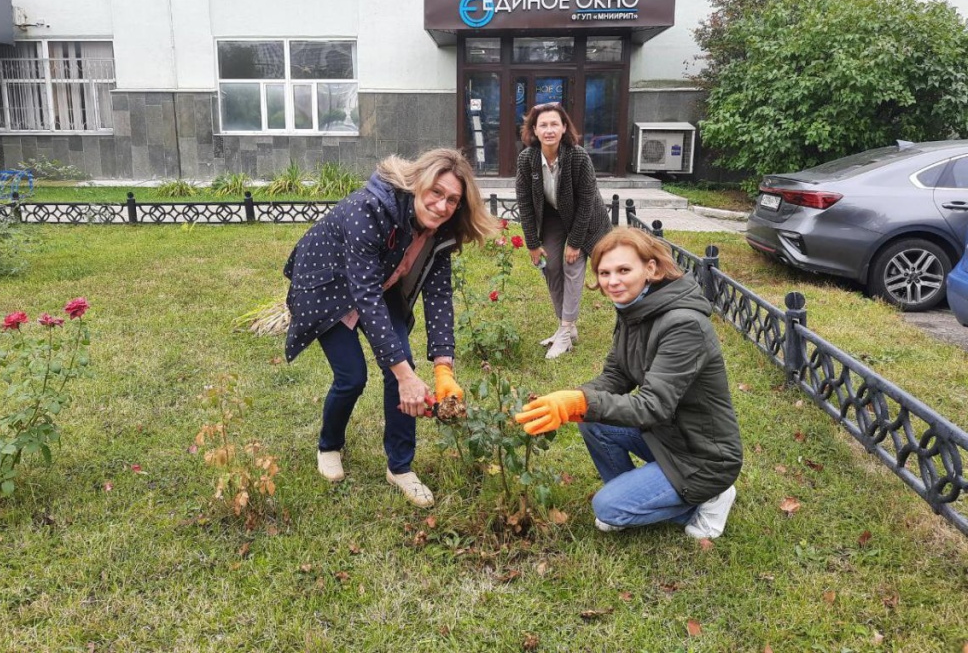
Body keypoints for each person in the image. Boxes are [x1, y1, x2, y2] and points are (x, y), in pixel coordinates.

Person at [284, 149, 496, 507]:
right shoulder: (368, 210)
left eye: (453, 200)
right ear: (418, 184)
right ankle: (329, 445)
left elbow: (439, 294)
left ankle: (400, 467)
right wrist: (405, 376)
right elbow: (364, 296)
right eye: (436, 193)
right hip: (329, 288)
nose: (442, 206)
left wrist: (444, 366)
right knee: (352, 377)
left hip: (379, 285)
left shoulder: (439, 231)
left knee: (403, 367)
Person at [514, 227, 743, 539]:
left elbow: (652, 406)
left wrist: (581, 402)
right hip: (668, 436)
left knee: (607, 508)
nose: (612, 281)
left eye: (623, 270)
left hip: (702, 455)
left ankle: (710, 496)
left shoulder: (683, 325)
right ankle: (637, 494)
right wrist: (571, 400)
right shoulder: (634, 310)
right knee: (592, 421)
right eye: (605, 272)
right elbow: (616, 376)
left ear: (650, 268)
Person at [515, 102, 611, 359]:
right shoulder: (527, 159)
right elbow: (524, 203)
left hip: (586, 218)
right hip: (553, 217)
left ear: (564, 127)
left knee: (572, 265)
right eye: (543, 125)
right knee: (550, 266)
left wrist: (575, 242)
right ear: (534, 130)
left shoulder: (578, 156)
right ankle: (566, 326)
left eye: (554, 124)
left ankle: (566, 332)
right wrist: (533, 244)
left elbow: (587, 200)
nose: (549, 130)